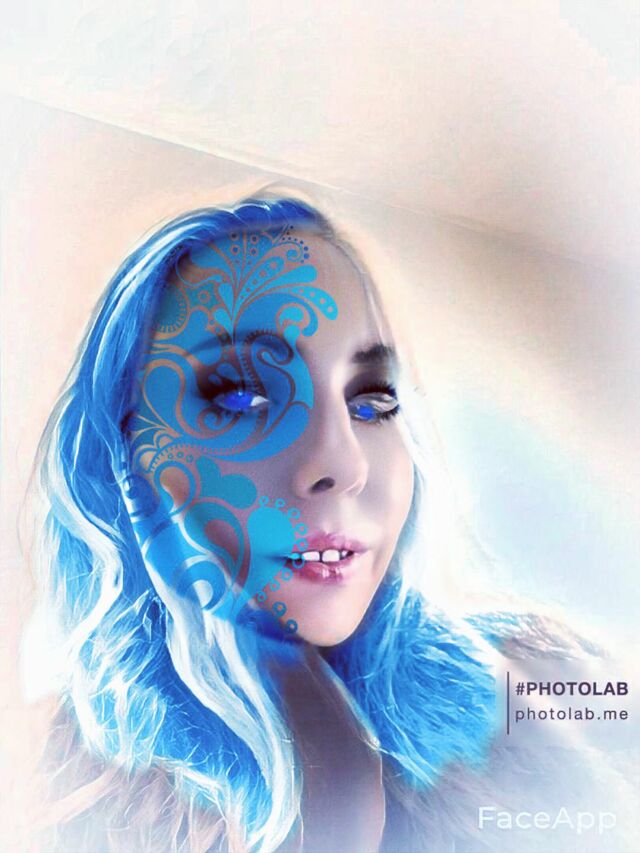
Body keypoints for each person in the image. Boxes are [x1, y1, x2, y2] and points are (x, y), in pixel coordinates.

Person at [25, 196, 631, 852]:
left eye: (372, 400)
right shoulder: (76, 786)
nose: (343, 463)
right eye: (242, 395)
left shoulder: (549, 673)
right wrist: (323, 766)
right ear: (124, 456)